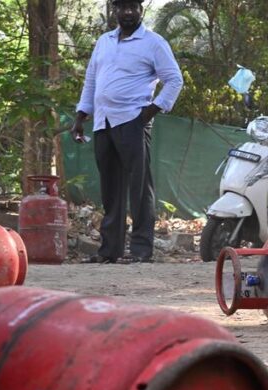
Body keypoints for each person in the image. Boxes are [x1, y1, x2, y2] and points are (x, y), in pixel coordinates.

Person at [72, 0, 183, 264]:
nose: (128, 12)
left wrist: (146, 115)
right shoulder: (104, 41)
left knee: (139, 187)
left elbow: (174, 80)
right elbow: (91, 80)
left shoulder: (153, 42)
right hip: (103, 122)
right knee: (111, 188)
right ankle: (109, 250)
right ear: (115, 11)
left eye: (133, 6)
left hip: (133, 120)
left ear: (141, 10)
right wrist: (80, 116)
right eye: (122, 7)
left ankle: (141, 250)